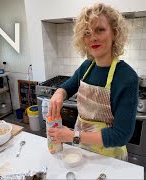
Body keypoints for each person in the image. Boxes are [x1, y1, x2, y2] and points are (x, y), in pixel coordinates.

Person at [47, 2, 138, 160]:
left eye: (100, 30)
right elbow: (68, 86)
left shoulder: (127, 77)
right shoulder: (86, 66)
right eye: (87, 32)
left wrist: (73, 136)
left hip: (109, 157)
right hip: (82, 150)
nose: (93, 37)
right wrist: (59, 94)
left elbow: (121, 135)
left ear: (114, 33)